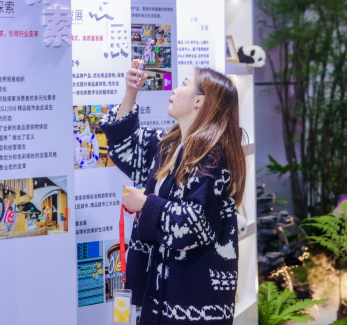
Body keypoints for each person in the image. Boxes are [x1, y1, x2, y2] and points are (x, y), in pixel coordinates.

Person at [100, 60, 247, 325]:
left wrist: (144, 204)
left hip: (193, 301)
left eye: (184, 84)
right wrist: (131, 92)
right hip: (161, 291)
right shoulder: (170, 144)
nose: (175, 90)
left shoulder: (214, 157)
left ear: (199, 101)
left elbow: (194, 224)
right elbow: (124, 146)